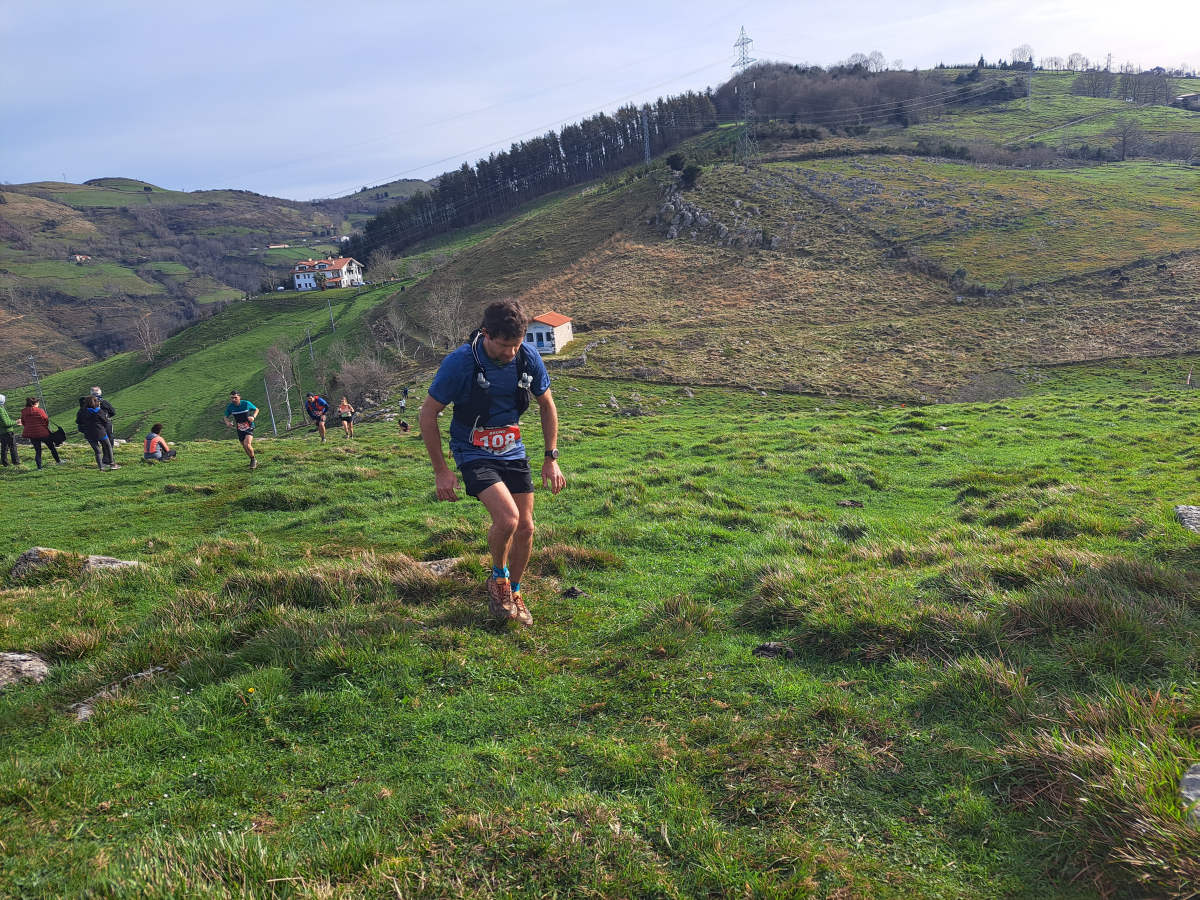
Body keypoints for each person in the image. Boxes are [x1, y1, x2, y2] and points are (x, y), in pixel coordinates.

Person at [419, 298, 565, 627]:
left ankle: (515, 591)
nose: (511, 353)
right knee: (508, 519)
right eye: (503, 345)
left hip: (512, 448)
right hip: (473, 450)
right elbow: (428, 414)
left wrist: (551, 458)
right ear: (486, 334)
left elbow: (547, 405)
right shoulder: (461, 363)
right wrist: (441, 471)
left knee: (526, 527)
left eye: (517, 345)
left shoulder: (527, 357)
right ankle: (498, 579)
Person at [76, 396, 118, 471]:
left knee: (97, 451)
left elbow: (78, 421)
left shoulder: (82, 412)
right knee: (108, 446)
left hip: (89, 434)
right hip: (100, 432)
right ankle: (112, 463)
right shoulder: (99, 411)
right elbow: (105, 421)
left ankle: (101, 468)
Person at [20, 397, 60, 469]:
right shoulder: (40, 410)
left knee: (38, 450)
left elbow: (23, 422)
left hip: (32, 434)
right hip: (43, 433)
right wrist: (44, 427)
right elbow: (46, 420)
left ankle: (39, 467)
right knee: (51, 447)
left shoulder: (24, 412)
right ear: (35, 403)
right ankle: (58, 461)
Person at [222, 390, 259, 469]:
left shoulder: (246, 403)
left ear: (239, 397)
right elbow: (225, 416)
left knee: (247, 444)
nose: (233, 400)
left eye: (235, 397)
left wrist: (253, 417)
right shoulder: (230, 407)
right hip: (239, 428)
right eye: (232, 398)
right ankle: (252, 459)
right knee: (244, 446)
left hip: (249, 426)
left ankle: (253, 460)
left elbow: (256, 409)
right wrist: (227, 423)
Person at [0, 394, 19, 467]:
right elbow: (6, 423)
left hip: (2, 432)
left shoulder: (1, 408)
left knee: (4, 447)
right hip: (7, 431)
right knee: (12, 446)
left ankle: (5, 463)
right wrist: (16, 422)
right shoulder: (1, 409)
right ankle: (16, 462)